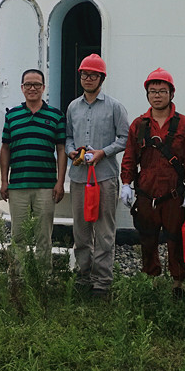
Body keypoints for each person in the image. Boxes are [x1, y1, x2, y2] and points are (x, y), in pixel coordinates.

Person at [120, 68, 185, 298]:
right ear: (147, 94)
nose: (157, 95)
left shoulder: (184, 124)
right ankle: (151, 280)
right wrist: (126, 183)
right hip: (146, 192)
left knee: (176, 238)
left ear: (171, 94)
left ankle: (178, 283)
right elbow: (130, 156)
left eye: (162, 91)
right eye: (152, 91)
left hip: (173, 193)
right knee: (147, 237)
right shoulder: (139, 125)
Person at [65, 54, 129, 297]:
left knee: (104, 231)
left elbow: (124, 138)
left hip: (105, 177)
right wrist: (71, 151)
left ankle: (102, 281)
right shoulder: (73, 107)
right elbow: (68, 137)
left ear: (102, 78)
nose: (88, 79)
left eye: (93, 75)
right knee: (81, 230)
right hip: (79, 177)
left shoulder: (114, 106)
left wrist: (103, 152)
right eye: (84, 74)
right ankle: (83, 276)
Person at [0, 69, 67, 270]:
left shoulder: (56, 116)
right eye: (28, 84)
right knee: (18, 236)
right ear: (22, 88)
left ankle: (42, 278)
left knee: (43, 236)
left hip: (46, 186)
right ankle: (18, 277)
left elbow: (61, 149)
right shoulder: (12, 116)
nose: (32, 88)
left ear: (43, 87)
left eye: (37, 84)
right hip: (18, 185)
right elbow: (5, 148)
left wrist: (60, 182)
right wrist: (4, 181)